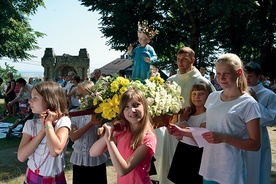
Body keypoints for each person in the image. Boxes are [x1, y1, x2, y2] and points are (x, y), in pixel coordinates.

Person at [152, 47, 215, 184]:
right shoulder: (170, 80)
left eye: (184, 60)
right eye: (178, 60)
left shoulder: (202, 82)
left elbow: (212, 107)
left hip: (193, 131)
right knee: (172, 168)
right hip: (172, 128)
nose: (180, 63)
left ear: (192, 60)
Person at [199, 53, 261, 183]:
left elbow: (255, 144)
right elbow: (209, 128)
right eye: (218, 73)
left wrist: (224, 138)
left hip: (230, 171)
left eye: (226, 73)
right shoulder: (212, 97)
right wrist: (183, 131)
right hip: (208, 167)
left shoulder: (248, 104)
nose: (221, 78)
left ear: (238, 72)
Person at [90, 89, 157, 184]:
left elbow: (123, 170)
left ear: (145, 107)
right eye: (127, 107)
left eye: (136, 105)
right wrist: (110, 134)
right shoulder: (123, 131)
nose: (132, 110)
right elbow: (93, 152)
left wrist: (110, 140)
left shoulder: (148, 138)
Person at [17, 81, 71, 184]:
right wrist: (42, 132)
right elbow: (21, 156)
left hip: (54, 179)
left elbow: (55, 151)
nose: (30, 101)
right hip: (31, 177)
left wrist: (48, 123)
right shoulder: (30, 124)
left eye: (35, 98)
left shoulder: (63, 122)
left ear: (50, 100)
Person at [167, 81, 212, 184]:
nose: (197, 97)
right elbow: (179, 137)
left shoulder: (207, 115)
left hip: (195, 155)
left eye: (201, 94)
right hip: (182, 150)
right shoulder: (189, 114)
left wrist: (183, 122)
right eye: (194, 94)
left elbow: (199, 141)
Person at [243, 62, 276, 184]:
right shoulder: (237, 92)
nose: (247, 79)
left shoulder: (269, 95)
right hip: (239, 135)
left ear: (258, 77)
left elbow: (272, 119)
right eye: (245, 75)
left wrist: (256, 104)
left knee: (256, 170)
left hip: (258, 136)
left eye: (250, 76)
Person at [69, 81, 108, 184]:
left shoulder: (100, 113)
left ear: (92, 95)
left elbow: (101, 141)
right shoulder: (74, 113)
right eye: (78, 95)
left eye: (83, 95)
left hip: (96, 159)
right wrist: (91, 124)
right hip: (80, 159)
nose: (80, 98)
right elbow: (73, 137)